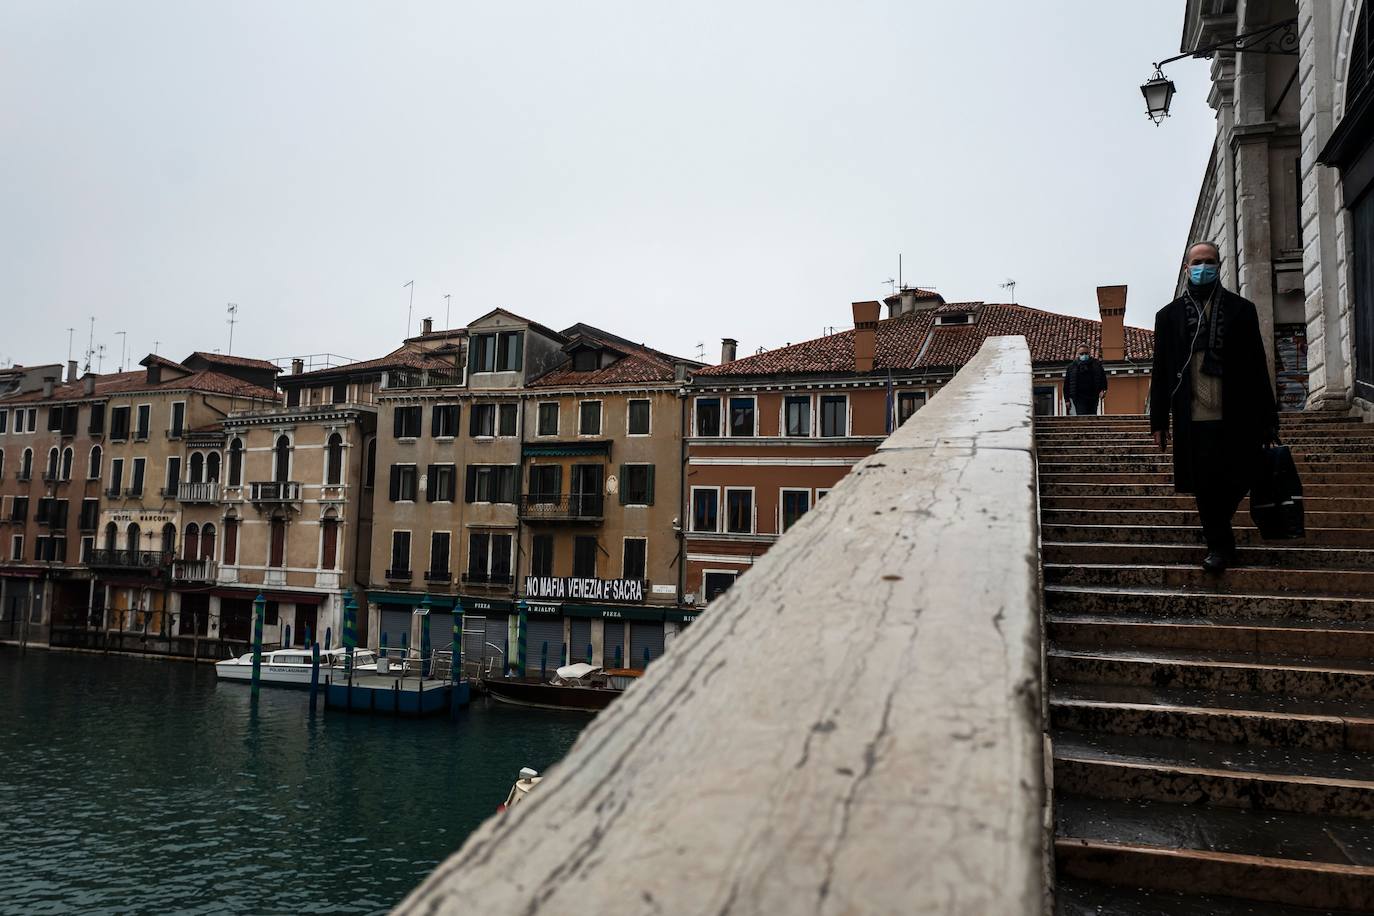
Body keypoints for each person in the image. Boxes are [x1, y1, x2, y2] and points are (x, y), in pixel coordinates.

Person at [1149, 241, 1278, 573]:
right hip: (1193, 413)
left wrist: (1268, 419)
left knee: (1242, 473)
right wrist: (1158, 420)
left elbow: (1256, 365)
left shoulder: (1241, 310)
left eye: (1209, 261)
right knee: (1204, 483)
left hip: (1237, 411)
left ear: (1219, 266)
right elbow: (1161, 371)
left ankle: (1219, 529)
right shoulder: (1168, 317)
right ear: (1186, 268)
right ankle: (1219, 546)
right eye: (1197, 262)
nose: (1203, 267)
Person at [1064, 344, 1108, 415]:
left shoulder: (1096, 364)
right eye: (1082, 354)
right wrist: (1067, 400)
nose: (1084, 355)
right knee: (1082, 415)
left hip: (1093, 396)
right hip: (1078, 397)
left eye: (1086, 353)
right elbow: (1066, 384)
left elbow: (1103, 379)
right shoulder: (1072, 367)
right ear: (1078, 354)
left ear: (1089, 353)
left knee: (1092, 415)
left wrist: (1103, 390)